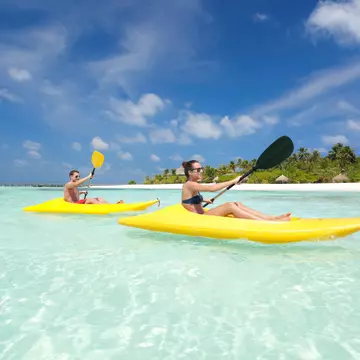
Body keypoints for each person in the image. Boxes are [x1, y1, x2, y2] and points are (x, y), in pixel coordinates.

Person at [181, 160, 291, 221]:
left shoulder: (193, 185)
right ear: (190, 172)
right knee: (230, 206)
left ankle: (271, 217)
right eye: (198, 170)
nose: (201, 171)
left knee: (236, 203)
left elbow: (190, 200)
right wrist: (233, 181)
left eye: (202, 169)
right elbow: (212, 188)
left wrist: (205, 200)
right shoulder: (190, 185)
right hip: (199, 219)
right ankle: (265, 222)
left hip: (202, 215)